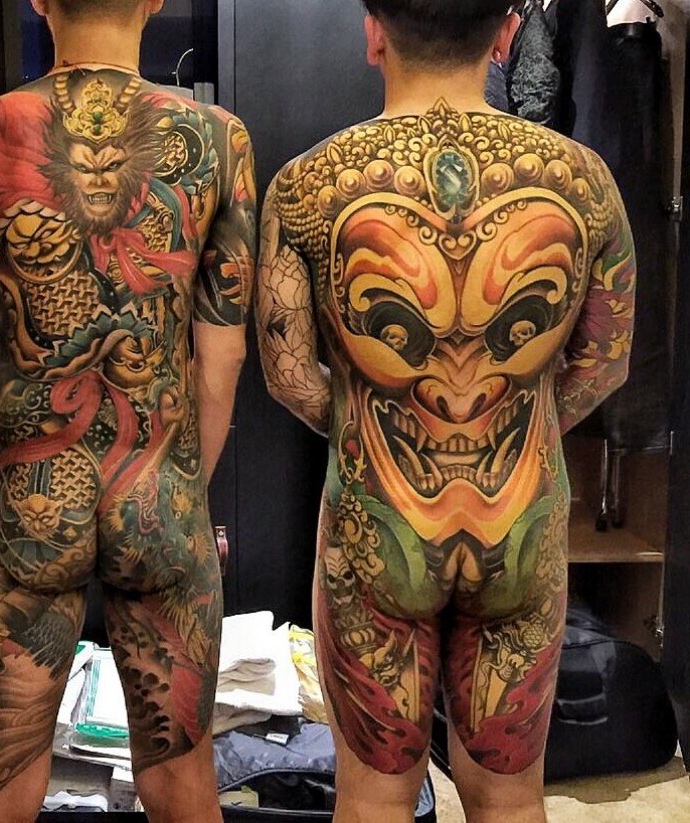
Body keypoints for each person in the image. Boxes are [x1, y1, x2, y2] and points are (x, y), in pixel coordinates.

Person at [256, 2, 635, 821]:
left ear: (373, 32)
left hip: (376, 528)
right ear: (505, 36)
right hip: (519, 525)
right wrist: (515, 432)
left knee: (374, 800)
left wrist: (377, 433)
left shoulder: (308, 185)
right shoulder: (583, 181)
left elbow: (287, 375)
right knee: (510, 798)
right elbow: (605, 365)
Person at [0, 1, 256, 820]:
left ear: (40, 0)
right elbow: (223, 356)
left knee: (2, 777)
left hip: (34, 488)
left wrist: (9, 474)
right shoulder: (220, 139)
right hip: (159, 492)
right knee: (181, 779)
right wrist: (182, 487)